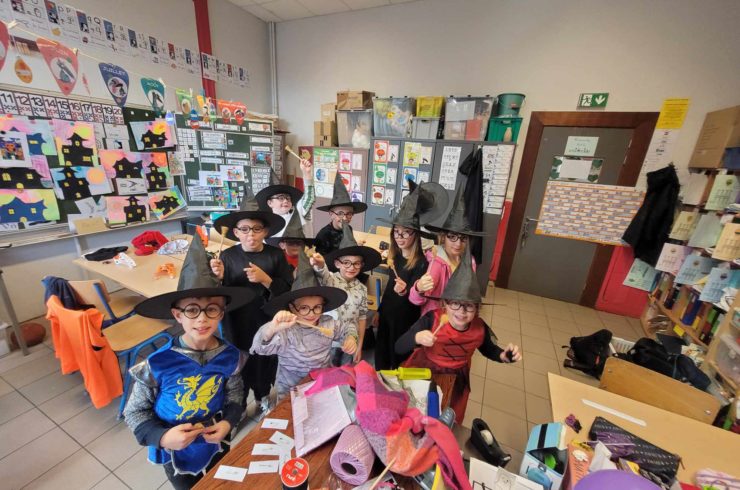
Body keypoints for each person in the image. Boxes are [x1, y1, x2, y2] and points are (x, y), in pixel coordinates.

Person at [123, 235, 255, 489]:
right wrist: (162, 437)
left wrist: (228, 422)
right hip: (173, 448)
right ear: (177, 315)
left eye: (212, 309)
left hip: (215, 440)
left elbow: (235, 397)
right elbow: (135, 412)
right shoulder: (158, 364)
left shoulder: (230, 356)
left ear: (222, 313)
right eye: (192, 310)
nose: (202, 319)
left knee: (220, 482)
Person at [396, 247, 522, 424]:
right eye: (455, 304)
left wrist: (503, 356)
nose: (461, 312)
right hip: (424, 371)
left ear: (477, 308)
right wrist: (416, 338)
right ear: (445, 304)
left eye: (469, 306)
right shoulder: (432, 319)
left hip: (456, 379)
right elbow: (399, 346)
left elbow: (489, 350)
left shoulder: (479, 328)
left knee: (446, 418)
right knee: (417, 414)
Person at [210, 187, 293, 414]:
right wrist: (218, 278)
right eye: (244, 229)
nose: (251, 235)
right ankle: (237, 405)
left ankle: (262, 394)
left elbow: (287, 290)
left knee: (265, 359)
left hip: (265, 319)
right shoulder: (227, 256)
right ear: (236, 232)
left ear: (265, 231)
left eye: (257, 229)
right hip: (237, 320)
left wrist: (266, 279)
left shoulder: (275, 255)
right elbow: (219, 296)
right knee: (239, 361)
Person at [251, 249, 355, 396]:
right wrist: (272, 328)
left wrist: (351, 337)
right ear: (291, 307)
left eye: (317, 307)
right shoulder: (286, 330)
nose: (312, 314)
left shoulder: (328, 323)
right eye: (304, 308)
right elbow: (260, 348)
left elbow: (348, 327)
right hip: (290, 389)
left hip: (320, 382)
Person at [374, 180, 449, 370]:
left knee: (398, 357)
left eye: (405, 233)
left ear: (415, 234)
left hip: (405, 319)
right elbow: (389, 291)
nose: (399, 237)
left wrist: (405, 291)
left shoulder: (423, 263)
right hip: (388, 314)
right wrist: (379, 312)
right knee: (382, 353)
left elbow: (418, 299)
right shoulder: (395, 256)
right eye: (396, 232)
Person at [410, 181, 486, 317]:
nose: (458, 244)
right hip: (436, 320)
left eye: (463, 238)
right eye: (452, 237)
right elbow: (416, 300)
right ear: (443, 237)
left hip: (458, 318)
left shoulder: (470, 262)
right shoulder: (437, 264)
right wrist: (418, 288)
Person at [311, 222, 381, 365]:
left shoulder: (362, 288)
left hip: (350, 341)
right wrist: (320, 264)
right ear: (337, 263)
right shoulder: (331, 280)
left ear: (362, 265)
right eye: (346, 262)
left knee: (346, 371)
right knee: (326, 371)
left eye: (356, 263)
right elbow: (322, 272)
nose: (351, 267)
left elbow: (362, 318)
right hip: (329, 341)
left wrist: (359, 345)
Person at [255, 159, 315, 237]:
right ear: (270, 203)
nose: (286, 200)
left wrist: (306, 173)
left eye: (288, 198)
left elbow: (309, 197)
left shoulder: (298, 213)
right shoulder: (264, 223)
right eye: (281, 198)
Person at [314, 172, 368, 256]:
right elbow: (320, 259)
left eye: (349, 214)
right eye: (340, 213)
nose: (345, 218)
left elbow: (346, 248)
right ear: (331, 214)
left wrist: (355, 245)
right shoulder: (324, 235)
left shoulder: (348, 228)